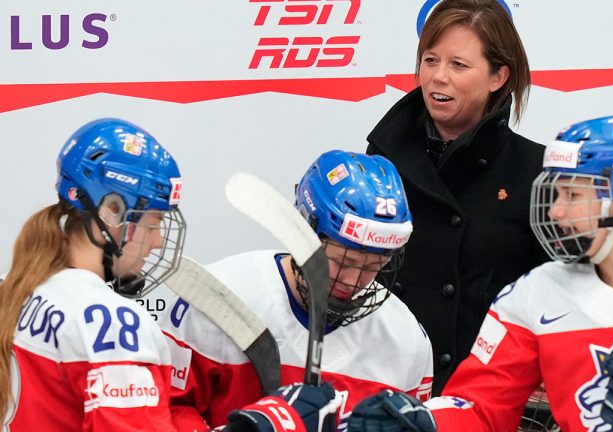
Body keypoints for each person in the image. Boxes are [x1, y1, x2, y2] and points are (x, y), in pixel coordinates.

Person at [346, 115, 613, 431]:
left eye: (572, 195)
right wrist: (421, 423)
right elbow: (480, 408)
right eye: (555, 193)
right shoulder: (535, 295)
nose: (558, 212)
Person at [160, 150, 433, 430]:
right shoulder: (218, 296)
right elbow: (162, 416)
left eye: (373, 266)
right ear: (303, 232)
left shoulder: (406, 340)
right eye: (341, 261)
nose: (352, 281)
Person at [366, 0, 549, 393]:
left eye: (458, 65)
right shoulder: (382, 159)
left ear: (499, 76)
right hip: (389, 392)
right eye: (430, 61)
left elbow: (557, 300)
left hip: (488, 399)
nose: (438, 78)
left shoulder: (536, 171)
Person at [0, 118, 187, 430]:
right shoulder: (111, 324)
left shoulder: (19, 286)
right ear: (111, 211)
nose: (157, 242)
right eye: (152, 224)